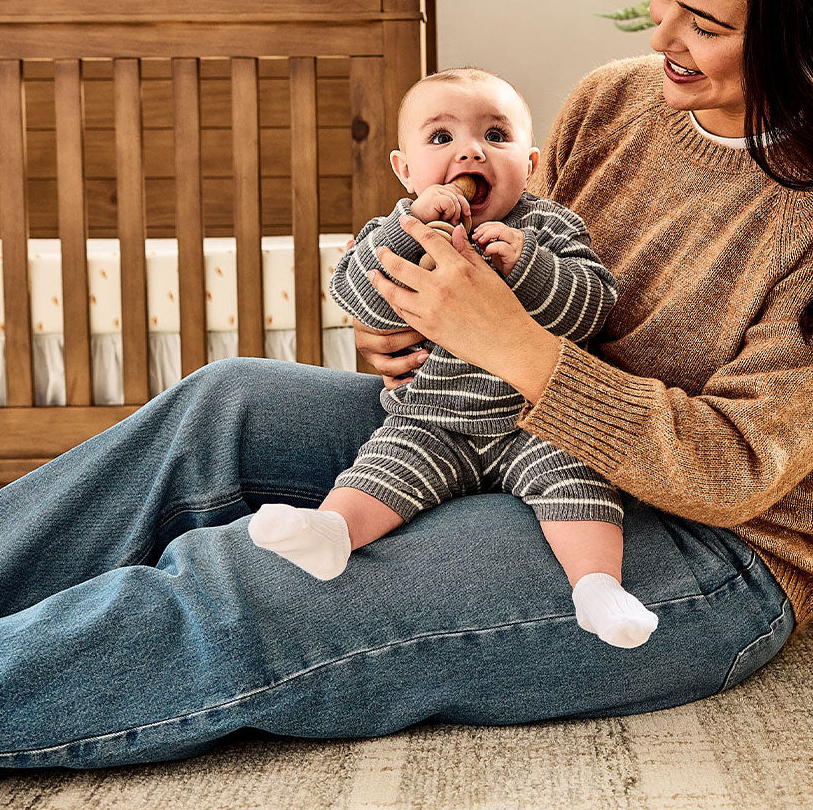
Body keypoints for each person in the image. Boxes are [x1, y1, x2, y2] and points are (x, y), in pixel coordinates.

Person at [0, 0, 811, 810]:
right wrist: (410, 322)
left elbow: (730, 469)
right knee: (223, 401)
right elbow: (535, 264)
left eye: (703, 22)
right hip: (499, 422)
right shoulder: (615, 102)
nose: (660, 32)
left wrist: (513, 346)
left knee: (264, 584)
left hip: (705, 544)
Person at [248, 66, 659, 649]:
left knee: (580, 486)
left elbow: (592, 308)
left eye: (496, 135)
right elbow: (357, 296)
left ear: (531, 163)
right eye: (441, 137)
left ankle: (598, 587)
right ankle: (332, 532)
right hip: (430, 422)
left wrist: (529, 267)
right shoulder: (397, 230)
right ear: (405, 170)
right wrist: (410, 230)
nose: (471, 152)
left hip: (536, 423)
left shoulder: (549, 228)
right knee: (379, 469)